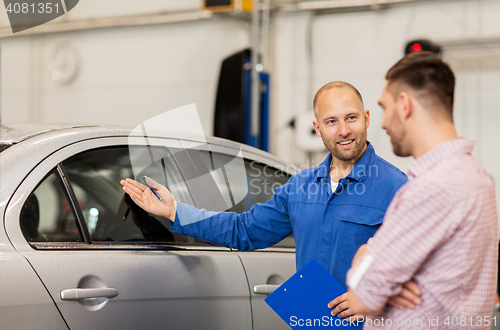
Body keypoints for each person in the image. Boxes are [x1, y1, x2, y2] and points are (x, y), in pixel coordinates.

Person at [121, 81, 413, 319]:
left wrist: (376, 295)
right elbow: (244, 230)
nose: (344, 130)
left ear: (366, 118)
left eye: (351, 118)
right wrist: (175, 211)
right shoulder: (300, 187)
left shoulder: (398, 188)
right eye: (331, 121)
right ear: (318, 128)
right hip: (313, 323)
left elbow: (423, 268)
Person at [345, 52, 498, 329]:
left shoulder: (432, 187)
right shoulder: (476, 176)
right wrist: (385, 278)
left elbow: (361, 298)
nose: (382, 123)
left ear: (404, 104)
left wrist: (365, 254)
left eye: (384, 107)